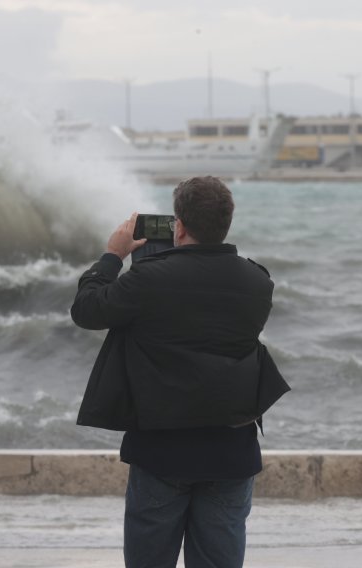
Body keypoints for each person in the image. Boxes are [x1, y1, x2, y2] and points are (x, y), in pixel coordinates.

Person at [70, 176, 289, 568]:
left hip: (161, 451)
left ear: (180, 226)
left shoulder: (148, 278)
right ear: (227, 223)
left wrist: (113, 256)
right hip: (232, 453)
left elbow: (87, 310)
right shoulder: (258, 282)